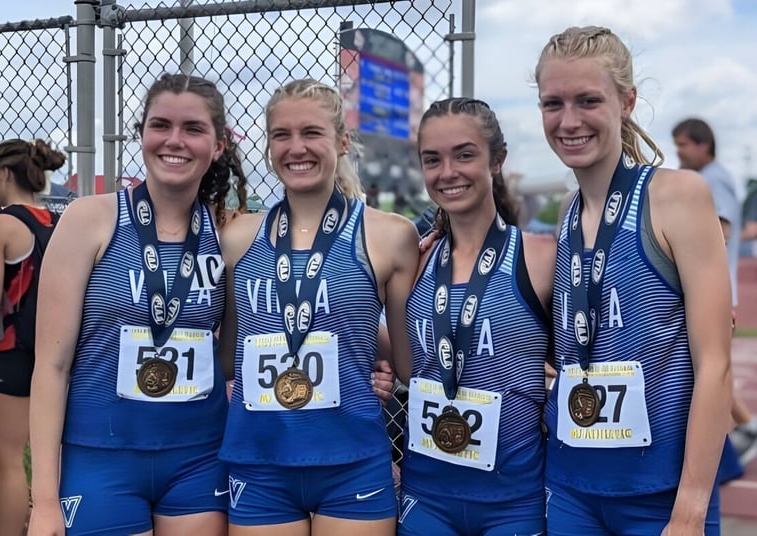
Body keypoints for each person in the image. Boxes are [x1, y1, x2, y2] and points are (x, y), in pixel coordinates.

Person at [28, 73, 248, 535]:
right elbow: (51, 365)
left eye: (192, 129)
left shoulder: (230, 233)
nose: (174, 141)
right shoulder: (90, 219)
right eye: (160, 125)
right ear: (142, 133)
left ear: (219, 144)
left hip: (199, 457)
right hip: (99, 457)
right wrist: (44, 501)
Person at [536, 26, 732, 535]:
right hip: (573, 486)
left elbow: (715, 366)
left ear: (626, 102)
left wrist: (689, 511)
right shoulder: (566, 213)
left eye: (588, 100)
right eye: (552, 103)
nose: (568, 120)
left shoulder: (677, 197)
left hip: (660, 497)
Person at [218, 78, 419, 535]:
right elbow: (229, 356)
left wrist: (375, 359)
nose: (296, 148)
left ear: (342, 141)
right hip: (260, 458)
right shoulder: (236, 238)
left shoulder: (391, 236)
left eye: (311, 133)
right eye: (281, 135)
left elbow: (406, 359)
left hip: (351, 459)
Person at [397, 97, 555, 535]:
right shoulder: (414, 263)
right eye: (433, 160)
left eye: (464, 155)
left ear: (497, 160)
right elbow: (407, 364)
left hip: (514, 499)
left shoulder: (542, 258)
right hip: (426, 495)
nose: (448, 172)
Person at [0, 138, 64, 535]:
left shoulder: (1, 224)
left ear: (4, 173)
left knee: (4, 465)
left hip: (7, 356)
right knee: (42, 462)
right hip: (51, 356)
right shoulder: (55, 221)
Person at [673, 118, 757, 467]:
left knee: (707, 368)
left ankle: (738, 436)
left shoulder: (712, 180)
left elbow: (719, 228)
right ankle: (747, 427)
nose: (678, 152)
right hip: (713, 289)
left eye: (683, 144)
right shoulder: (711, 178)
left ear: (703, 145)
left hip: (711, 291)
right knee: (707, 367)